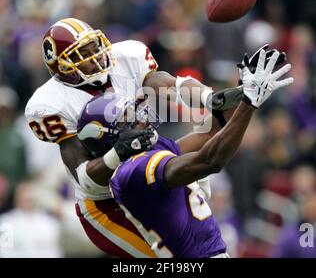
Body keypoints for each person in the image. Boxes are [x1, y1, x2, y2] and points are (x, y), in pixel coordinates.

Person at [24, 18, 244, 257]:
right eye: (82, 54)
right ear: (64, 67)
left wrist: (209, 97)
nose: (95, 56)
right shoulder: (50, 103)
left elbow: (164, 83)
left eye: (94, 47)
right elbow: (84, 177)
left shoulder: (127, 56)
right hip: (107, 201)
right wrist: (118, 152)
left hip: (146, 160)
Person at [77, 49, 293, 257]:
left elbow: (210, 133)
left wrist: (242, 91)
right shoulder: (132, 171)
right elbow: (210, 160)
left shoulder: (151, 151)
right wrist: (249, 104)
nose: (141, 117)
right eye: (128, 117)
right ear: (110, 136)